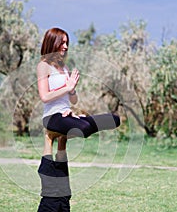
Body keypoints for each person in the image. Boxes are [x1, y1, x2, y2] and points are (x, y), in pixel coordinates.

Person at [37, 27, 121, 158]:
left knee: (115, 120)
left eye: (66, 43)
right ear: (53, 43)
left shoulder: (65, 68)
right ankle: (51, 135)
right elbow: (44, 97)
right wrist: (67, 87)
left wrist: (72, 89)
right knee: (84, 129)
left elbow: (74, 100)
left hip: (66, 114)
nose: (65, 46)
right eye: (62, 43)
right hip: (52, 117)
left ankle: (77, 124)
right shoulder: (44, 66)